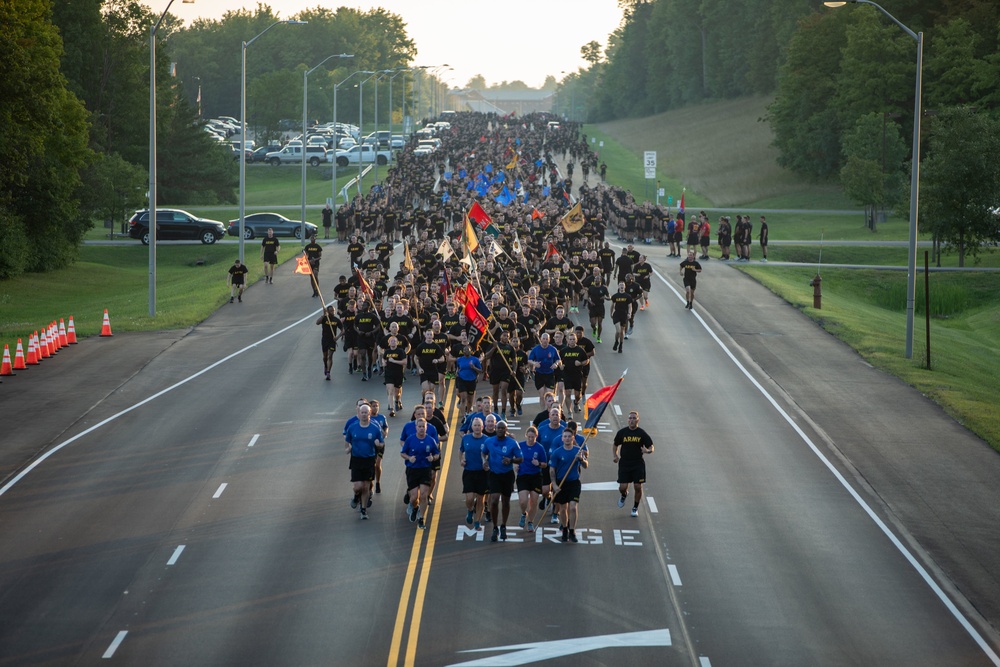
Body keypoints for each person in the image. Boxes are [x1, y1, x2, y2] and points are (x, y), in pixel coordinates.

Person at [481, 420, 522, 542]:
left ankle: (503, 525)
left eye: (502, 428)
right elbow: (483, 453)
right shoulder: (489, 441)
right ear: (495, 428)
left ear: (506, 430)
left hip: (507, 475)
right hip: (494, 474)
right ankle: (495, 527)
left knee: (505, 501)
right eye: (498, 428)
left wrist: (511, 460)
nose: (500, 430)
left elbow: (520, 458)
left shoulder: (512, 443)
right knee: (494, 500)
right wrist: (484, 461)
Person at [548, 425, 589, 543]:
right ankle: (565, 528)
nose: (567, 438)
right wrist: (554, 485)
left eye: (569, 436)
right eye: (565, 436)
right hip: (561, 482)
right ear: (562, 438)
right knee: (562, 508)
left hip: (574, 482)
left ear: (573, 438)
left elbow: (586, 465)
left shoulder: (578, 451)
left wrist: (581, 459)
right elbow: (552, 470)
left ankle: (572, 531)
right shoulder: (557, 453)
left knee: (573, 507)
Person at [344, 403, 383, 520]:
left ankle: (363, 510)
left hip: (369, 460)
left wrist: (378, 444)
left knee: (366, 486)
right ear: (359, 413)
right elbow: (347, 442)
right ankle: (356, 497)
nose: (364, 414)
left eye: (366, 412)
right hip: (356, 459)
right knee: (358, 487)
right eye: (362, 412)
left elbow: (382, 444)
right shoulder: (353, 427)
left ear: (369, 413)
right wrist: (348, 449)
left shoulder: (375, 428)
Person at [400, 417, 440, 529]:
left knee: (423, 495)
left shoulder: (430, 440)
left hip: (425, 470)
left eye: (423, 426)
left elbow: (437, 453)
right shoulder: (410, 439)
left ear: (426, 428)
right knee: (413, 497)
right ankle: (415, 507)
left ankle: (422, 518)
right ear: (416, 427)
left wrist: (433, 458)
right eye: (419, 426)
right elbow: (402, 453)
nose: (421, 428)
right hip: (412, 470)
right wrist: (409, 458)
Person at [613, 410, 654, 517]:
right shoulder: (622, 432)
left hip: (637, 464)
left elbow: (651, 446)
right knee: (622, 487)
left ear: (638, 420)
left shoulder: (641, 433)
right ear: (628, 420)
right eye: (630, 418)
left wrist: (648, 451)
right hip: (624, 463)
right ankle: (624, 494)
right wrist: (615, 455)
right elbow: (615, 444)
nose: (631, 420)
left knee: (637, 486)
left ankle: (635, 507)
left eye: (634, 418)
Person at [460, 416, 489, 530]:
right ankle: (470, 509)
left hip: (482, 473)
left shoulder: (487, 440)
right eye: (475, 425)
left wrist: (487, 463)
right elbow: (461, 451)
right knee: (470, 498)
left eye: (479, 425)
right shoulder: (466, 438)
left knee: (481, 498)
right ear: (471, 427)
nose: (477, 427)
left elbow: (491, 454)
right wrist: (461, 460)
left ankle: (477, 521)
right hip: (469, 472)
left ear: (483, 427)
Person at [516, 425, 546, 533]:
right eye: (529, 437)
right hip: (523, 476)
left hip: (535, 476)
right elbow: (515, 458)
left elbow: (545, 464)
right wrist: (516, 465)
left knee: (534, 501)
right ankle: (523, 513)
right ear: (526, 436)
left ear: (536, 436)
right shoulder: (520, 445)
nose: (530, 439)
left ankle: (530, 522)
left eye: (532, 437)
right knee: (523, 501)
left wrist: (538, 464)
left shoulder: (539, 448)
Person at [528, 333, 560, 400]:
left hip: (550, 373)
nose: (545, 340)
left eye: (546, 339)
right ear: (541, 339)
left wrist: (556, 364)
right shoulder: (536, 349)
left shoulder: (553, 349)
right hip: (539, 374)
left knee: (550, 394)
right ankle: (543, 407)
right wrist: (534, 363)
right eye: (544, 339)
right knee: (542, 395)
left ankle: (550, 406)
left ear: (549, 340)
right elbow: (529, 360)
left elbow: (558, 359)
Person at [382, 335, 408, 417]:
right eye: (391, 341)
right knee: (390, 391)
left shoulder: (400, 351)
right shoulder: (387, 351)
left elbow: (404, 362)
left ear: (397, 343)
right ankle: (391, 409)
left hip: (398, 373)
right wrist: (383, 362)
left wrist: (394, 361)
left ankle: (397, 401)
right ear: (389, 343)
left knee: (397, 393)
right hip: (388, 373)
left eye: (394, 341)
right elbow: (383, 358)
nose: (393, 342)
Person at [316, 305, 342, 380]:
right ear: (328, 311)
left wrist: (337, 337)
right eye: (331, 311)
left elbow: (343, 330)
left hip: (332, 340)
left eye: (333, 310)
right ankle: (325, 365)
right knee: (325, 357)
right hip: (325, 339)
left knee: (329, 356)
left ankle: (328, 372)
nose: (333, 312)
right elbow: (317, 323)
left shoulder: (336, 320)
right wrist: (323, 315)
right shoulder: (324, 318)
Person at [455, 345, 482, 414]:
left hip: (472, 380)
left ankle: (467, 413)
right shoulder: (459, 360)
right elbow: (458, 368)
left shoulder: (475, 360)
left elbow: (480, 371)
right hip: (462, 380)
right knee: (463, 399)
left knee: (470, 400)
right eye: (465, 350)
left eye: (468, 349)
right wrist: (457, 373)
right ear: (463, 351)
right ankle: (463, 415)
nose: (466, 351)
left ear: (471, 351)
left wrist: (474, 367)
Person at [610, 282, 632, 353]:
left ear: (625, 287)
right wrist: (611, 313)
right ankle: (616, 341)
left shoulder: (628, 296)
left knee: (622, 332)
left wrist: (629, 313)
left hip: (624, 315)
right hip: (617, 314)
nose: (622, 286)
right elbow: (612, 305)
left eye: (623, 285)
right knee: (618, 330)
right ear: (618, 287)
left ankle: (621, 345)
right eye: (620, 285)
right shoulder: (615, 296)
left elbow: (629, 306)